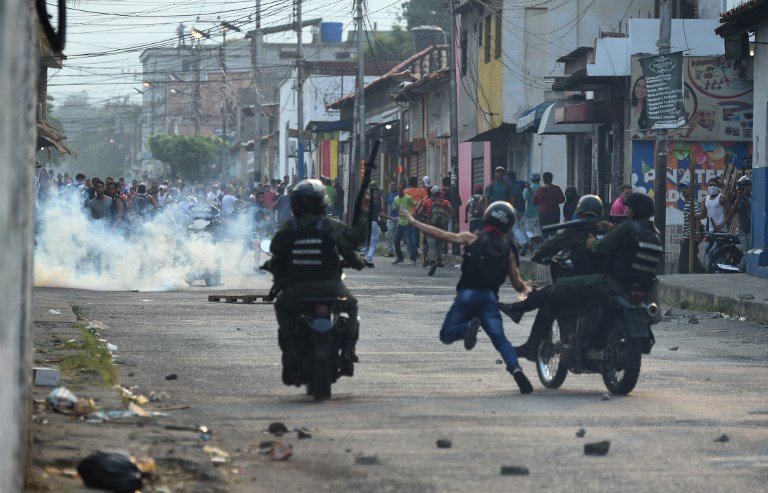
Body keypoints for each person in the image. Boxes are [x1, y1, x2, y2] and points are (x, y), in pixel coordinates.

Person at [400, 201, 534, 394]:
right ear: (508, 224)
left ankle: (467, 329)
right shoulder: (508, 250)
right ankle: (516, 369)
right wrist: (528, 288)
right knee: (501, 340)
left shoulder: (471, 238)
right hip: (489, 299)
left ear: (487, 216)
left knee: (446, 334)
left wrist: (413, 220)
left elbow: (440, 234)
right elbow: (517, 285)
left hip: (466, 295)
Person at [500, 193, 663, 329]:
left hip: (614, 283)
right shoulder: (654, 233)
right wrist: (611, 230)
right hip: (643, 286)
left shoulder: (627, 227)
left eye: (629, 209)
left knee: (559, 287)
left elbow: (600, 248)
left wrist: (593, 243)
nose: (627, 212)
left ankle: (519, 309)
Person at [267, 179, 369, 383]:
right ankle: (348, 351)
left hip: (296, 291)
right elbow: (354, 240)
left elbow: (275, 252)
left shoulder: (289, 228)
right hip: (330, 287)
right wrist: (364, 211)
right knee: (352, 306)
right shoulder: (329, 225)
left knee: (281, 307)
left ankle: (289, 355)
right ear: (321, 202)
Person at [513, 195, 608, 361]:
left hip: (586, 285)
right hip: (610, 286)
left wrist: (539, 255)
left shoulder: (577, 231)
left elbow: (550, 246)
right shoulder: (611, 231)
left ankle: (527, 334)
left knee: (550, 303)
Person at [416, 185, 452, 276]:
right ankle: (438, 259)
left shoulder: (427, 202)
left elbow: (419, 212)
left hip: (430, 227)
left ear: (431, 193)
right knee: (438, 244)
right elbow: (452, 211)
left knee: (431, 246)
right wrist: (447, 219)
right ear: (440, 193)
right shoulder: (445, 202)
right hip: (440, 228)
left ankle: (432, 263)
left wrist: (423, 218)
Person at [678, 182, 706, 274]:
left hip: (691, 236)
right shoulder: (687, 202)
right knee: (692, 260)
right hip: (687, 235)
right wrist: (683, 236)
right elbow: (687, 222)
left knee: (683, 259)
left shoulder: (692, 202)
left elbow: (697, 217)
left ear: (691, 190)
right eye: (682, 188)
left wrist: (698, 232)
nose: (684, 190)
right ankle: (704, 276)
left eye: (686, 188)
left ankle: (682, 279)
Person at [728, 175, 752, 272]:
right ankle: (739, 275)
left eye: (750, 185)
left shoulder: (750, 197)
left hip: (750, 231)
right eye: (748, 185)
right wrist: (738, 198)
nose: (750, 187)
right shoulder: (741, 199)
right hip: (744, 231)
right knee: (747, 256)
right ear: (744, 186)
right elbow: (732, 211)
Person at [391, 183, 418, 265]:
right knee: (396, 241)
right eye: (398, 188)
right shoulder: (396, 199)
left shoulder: (408, 198)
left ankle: (413, 259)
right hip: (401, 223)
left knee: (408, 241)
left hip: (408, 223)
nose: (399, 190)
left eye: (400, 188)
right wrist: (395, 209)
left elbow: (416, 204)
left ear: (403, 190)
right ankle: (400, 258)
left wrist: (414, 214)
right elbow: (393, 208)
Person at [533, 171, 565, 239]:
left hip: (543, 214)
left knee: (545, 234)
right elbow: (562, 199)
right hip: (554, 213)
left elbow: (534, 202)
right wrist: (554, 201)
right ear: (551, 179)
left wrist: (542, 202)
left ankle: (546, 248)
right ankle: (554, 248)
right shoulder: (556, 188)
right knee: (554, 233)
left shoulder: (539, 190)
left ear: (543, 180)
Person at [360, 186, 383, 268]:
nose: (377, 195)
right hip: (373, 223)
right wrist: (390, 218)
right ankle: (369, 260)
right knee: (373, 243)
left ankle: (363, 251)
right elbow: (380, 214)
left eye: (378, 193)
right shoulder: (375, 202)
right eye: (375, 193)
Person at [507, 170, 529, 254]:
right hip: (522, 208)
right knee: (517, 225)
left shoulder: (508, 184)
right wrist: (531, 194)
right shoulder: (520, 182)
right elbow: (527, 184)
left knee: (514, 227)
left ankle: (523, 242)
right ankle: (518, 244)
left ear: (508, 177)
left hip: (513, 207)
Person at [523, 173, 542, 254]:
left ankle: (531, 242)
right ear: (539, 179)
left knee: (528, 230)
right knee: (538, 231)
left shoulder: (527, 189)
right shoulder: (542, 189)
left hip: (530, 214)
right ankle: (537, 248)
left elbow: (524, 201)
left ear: (531, 179)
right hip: (540, 213)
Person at [385, 180, 399, 256]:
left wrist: (396, 207)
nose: (393, 185)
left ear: (396, 185)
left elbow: (403, 204)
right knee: (389, 234)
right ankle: (390, 251)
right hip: (390, 217)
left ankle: (398, 252)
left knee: (397, 236)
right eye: (391, 184)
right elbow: (389, 204)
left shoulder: (399, 194)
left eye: (394, 184)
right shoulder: (389, 194)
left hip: (398, 217)